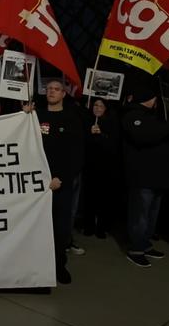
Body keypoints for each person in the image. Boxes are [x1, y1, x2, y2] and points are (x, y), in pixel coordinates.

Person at [122, 79, 169, 268]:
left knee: (152, 213)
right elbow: (145, 136)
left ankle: (145, 244)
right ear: (148, 99)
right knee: (140, 214)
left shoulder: (153, 116)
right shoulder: (133, 116)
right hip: (142, 176)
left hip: (157, 175)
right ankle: (135, 248)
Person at [35, 80, 85, 283]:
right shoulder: (36, 116)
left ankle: (58, 265)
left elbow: (77, 154)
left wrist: (61, 178)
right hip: (37, 182)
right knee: (37, 226)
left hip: (59, 184)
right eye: (48, 89)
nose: (51, 92)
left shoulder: (72, 119)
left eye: (56, 89)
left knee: (60, 228)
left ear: (64, 94)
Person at [82, 98, 121, 239]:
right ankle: (88, 225)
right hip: (90, 166)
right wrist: (89, 133)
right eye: (95, 105)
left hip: (106, 167)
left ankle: (102, 227)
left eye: (101, 106)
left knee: (104, 198)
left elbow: (114, 145)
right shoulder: (87, 121)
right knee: (89, 197)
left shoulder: (112, 122)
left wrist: (102, 135)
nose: (97, 108)